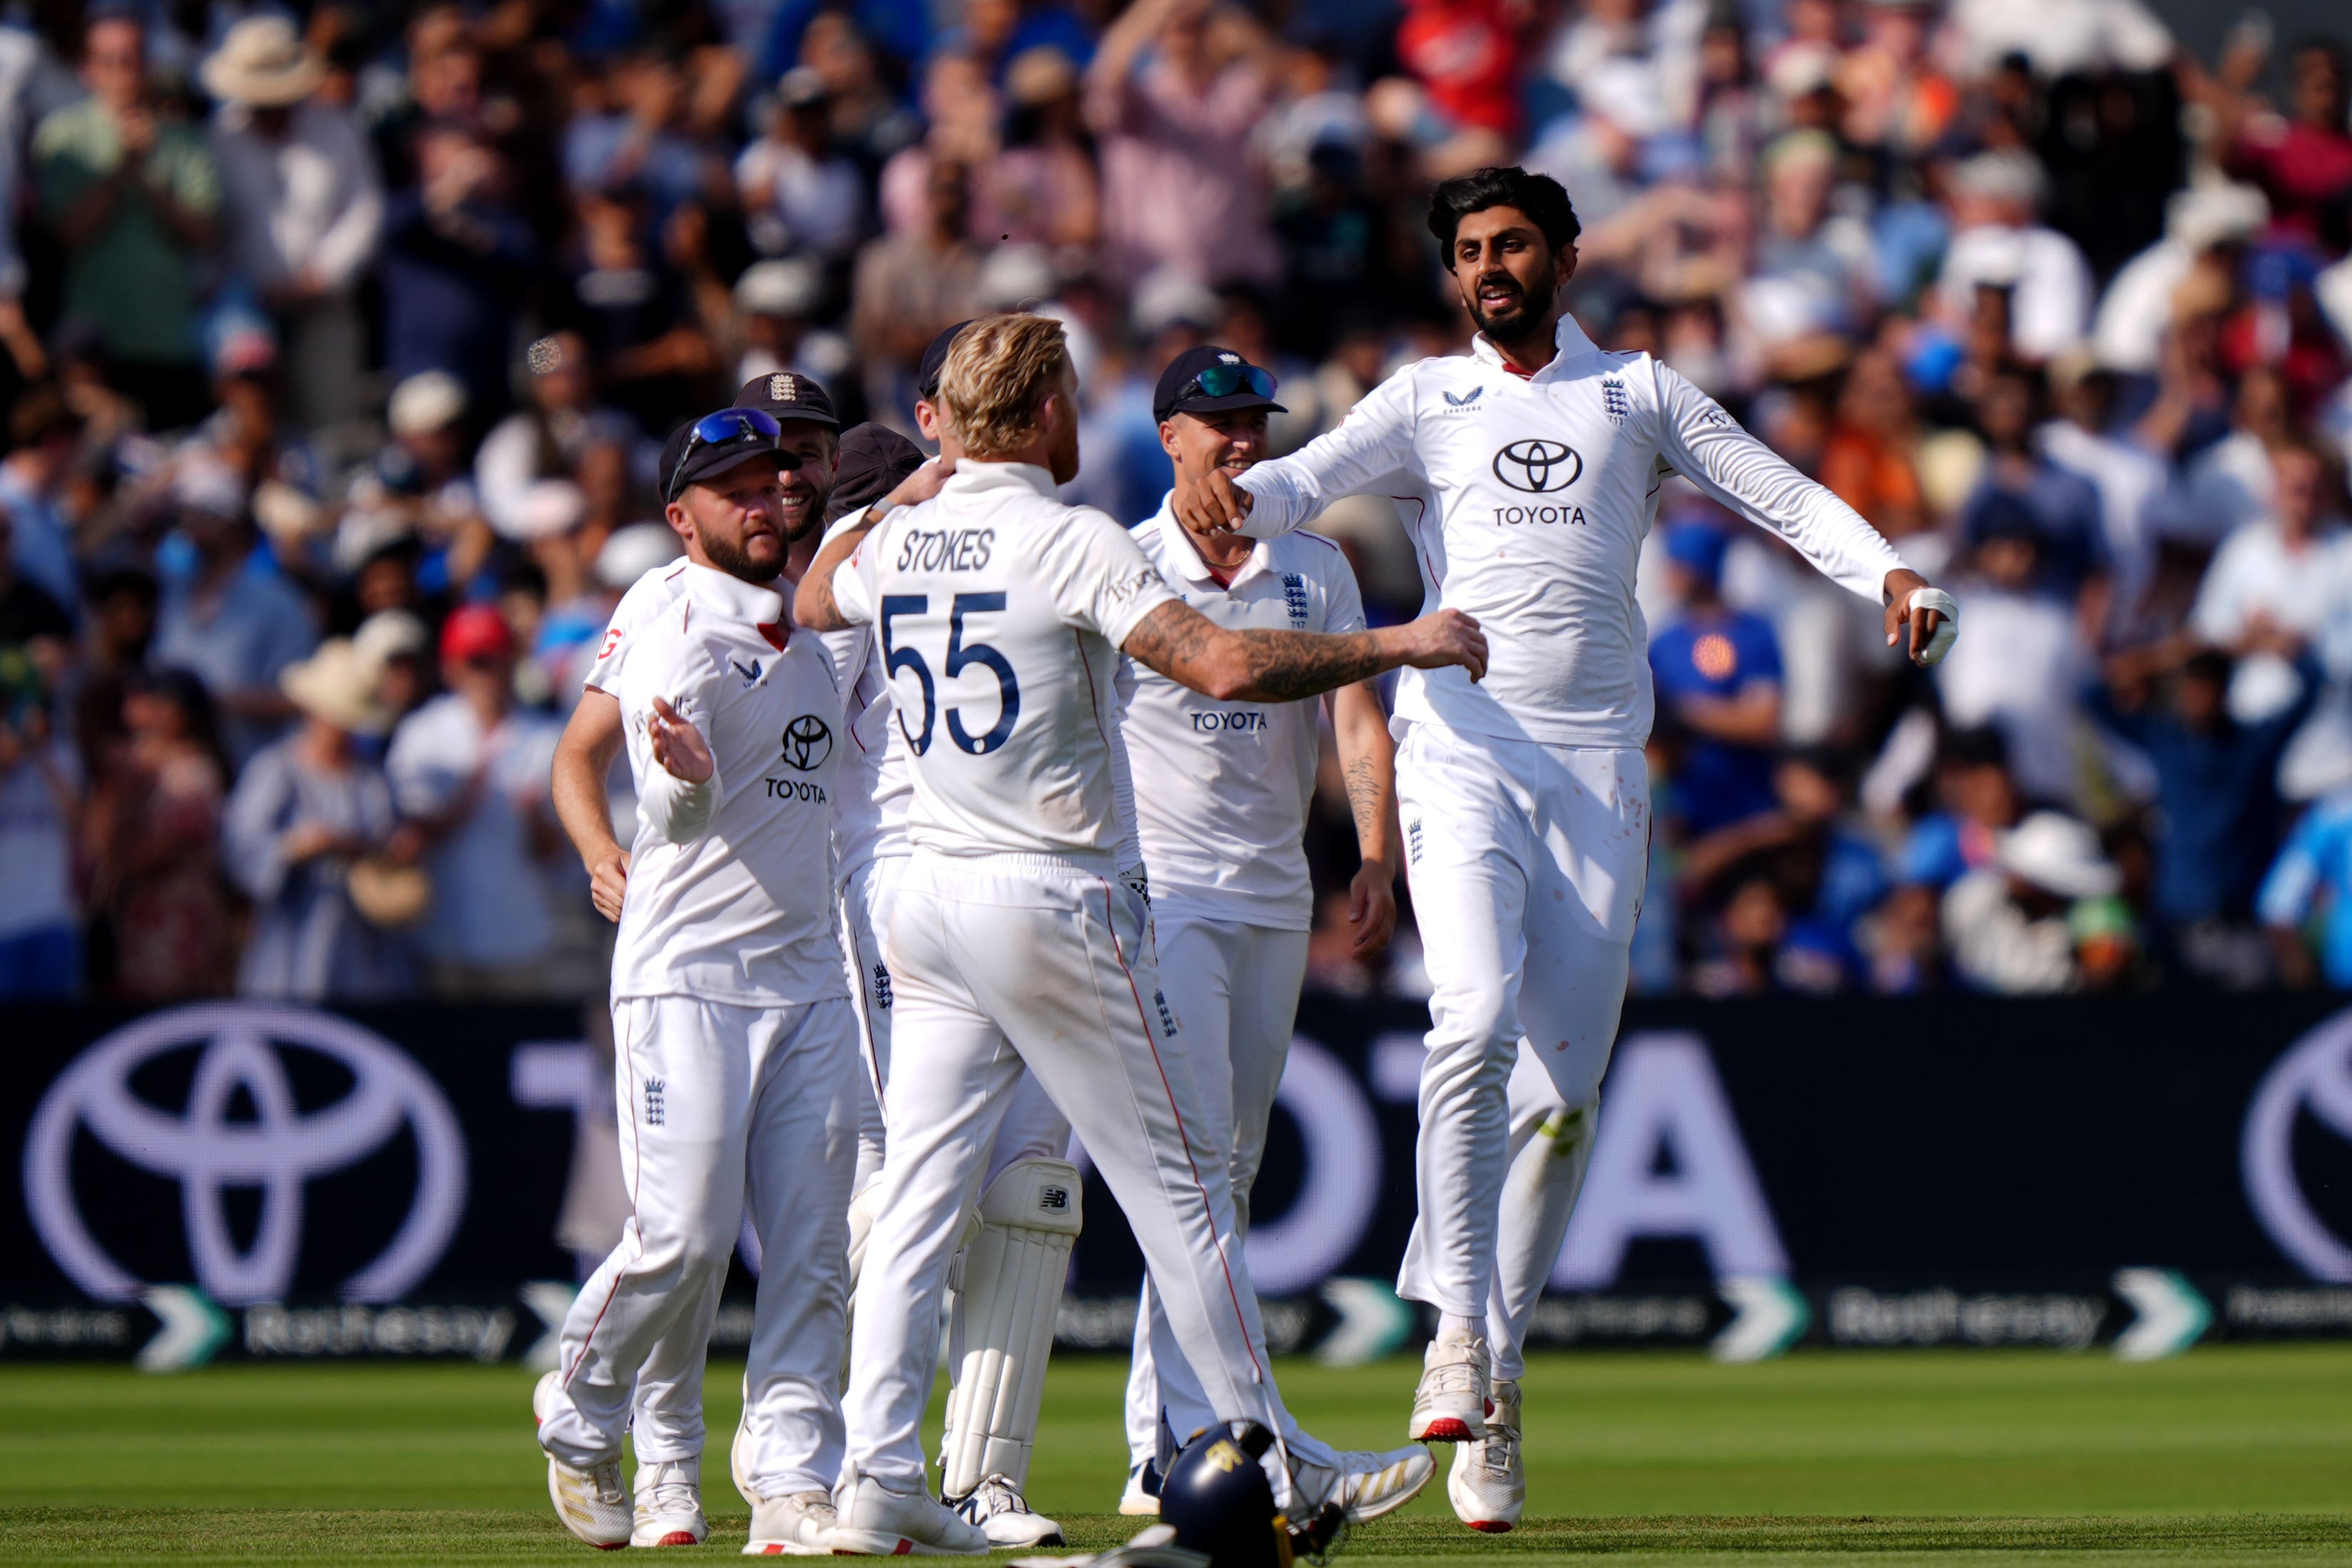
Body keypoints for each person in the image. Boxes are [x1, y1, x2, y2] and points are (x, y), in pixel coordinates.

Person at [1167, 165, 1955, 1531]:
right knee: (1464, 1016)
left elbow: (1773, 490)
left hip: (1597, 767)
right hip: (1462, 746)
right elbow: (1300, 482)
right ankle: (1453, 1332)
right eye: (1468, 249)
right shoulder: (1424, 395)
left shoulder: (1634, 392)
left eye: (1510, 244)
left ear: (1564, 257)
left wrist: (1885, 566)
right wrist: (1225, 486)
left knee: (1563, 1098)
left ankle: (1503, 1368)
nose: (1487, 266)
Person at [795, 314, 1481, 1553]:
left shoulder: (895, 537)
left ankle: (879, 1473)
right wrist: (1399, 638)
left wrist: (914, 482)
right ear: (1048, 410)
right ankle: (1276, 1458)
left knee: (919, 1196)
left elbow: (806, 593)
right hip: (1054, 896)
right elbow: (1217, 665)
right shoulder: (1073, 540)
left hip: (925, 897)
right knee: (1186, 1190)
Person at [533, 408, 859, 1557]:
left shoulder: (810, 616)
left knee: (818, 1249)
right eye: (737, 492)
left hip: (810, 973)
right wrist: (662, 795)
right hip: (690, 974)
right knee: (680, 1237)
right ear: (683, 519)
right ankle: (579, 1405)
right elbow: (669, 806)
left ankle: (789, 1479)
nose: (767, 503)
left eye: (776, 484)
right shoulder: (672, 617)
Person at [1112, 344, 1403, 1512]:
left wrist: (1374, 854)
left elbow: (1357, 722)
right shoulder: (1123, 561)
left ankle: (1160, 1444)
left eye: (1252, 421)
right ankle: (1216, 1433)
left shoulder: (1314, 559)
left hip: (1275, 891)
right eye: (1216, 421)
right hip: (1166, 893)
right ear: (1168, 433)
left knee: (1220, 1175)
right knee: (1191, 1175)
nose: (1241, 439)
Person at [33, 10, 221, 430]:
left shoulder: (184, 140)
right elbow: (65, 233)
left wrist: (149, 182)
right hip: (94, 344)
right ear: (88, 69)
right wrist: (122, 172)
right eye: (111, 60)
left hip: (167, 338)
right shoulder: (63, 137)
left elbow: (206, 233)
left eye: (132, 58)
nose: (124, 72)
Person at [203, 16, 384, 432]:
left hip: (324, 304)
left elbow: (365, 210)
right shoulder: (221, 139)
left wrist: (324, 275)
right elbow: (211, 222)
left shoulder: (337, 131)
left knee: (331, 420)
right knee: (253, 428)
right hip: (250, 312)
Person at [384, 604, 565, 998]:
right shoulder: (423, 734)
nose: (490, 673)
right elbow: (407, 838)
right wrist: (464, 798)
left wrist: (533, 819)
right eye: (477, 661)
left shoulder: (547, 738)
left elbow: (556, 854)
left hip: (520, 939)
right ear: (453, 667)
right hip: (443, 937)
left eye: (498, 659)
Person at [220, 639, 412, 1000]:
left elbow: (389, 845)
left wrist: (387, 853)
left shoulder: (370, 780)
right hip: (290, 940)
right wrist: (296, 847)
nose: (340, 727)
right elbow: (240, 848)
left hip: (361, 948)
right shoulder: (275, 769)